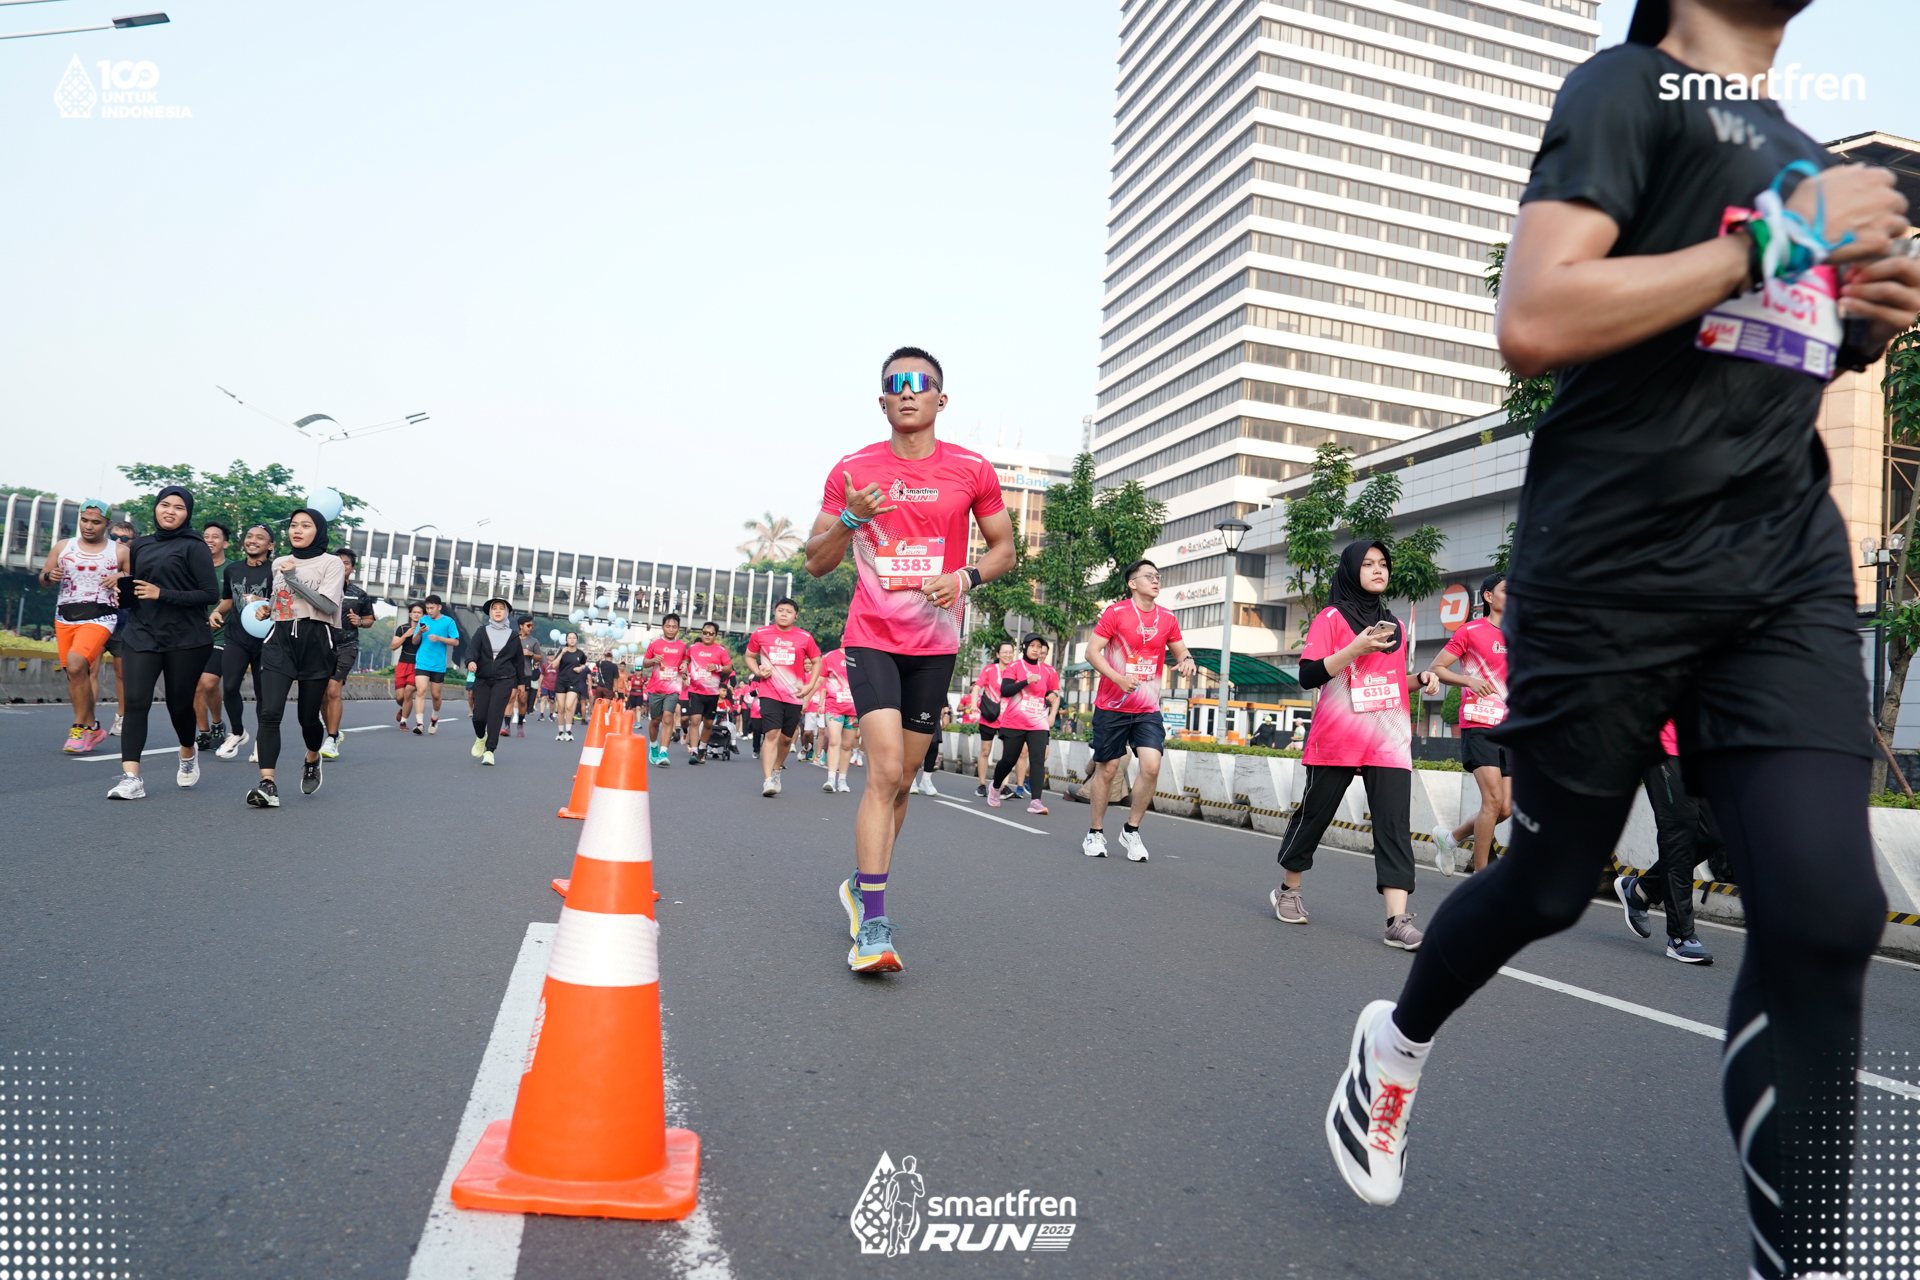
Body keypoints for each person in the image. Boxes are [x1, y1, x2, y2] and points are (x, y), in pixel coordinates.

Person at [1319, 8, 1920, 1275]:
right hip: (1612, 571)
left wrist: (1863, 318)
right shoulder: (1632, 88)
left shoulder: (1804, 150)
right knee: (1548, 882)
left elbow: (1767, 342)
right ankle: (1396, 1042)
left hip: (1782, 567)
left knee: (1828, 909)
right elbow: (1538, 315)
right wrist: (1781, 241)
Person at [805, 346, 1015, 973]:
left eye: (919, 383)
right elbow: (816, 560)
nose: (907, 391)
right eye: (895, 383)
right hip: (871, 635)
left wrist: (966, 577)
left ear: (940, 399)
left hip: (935, 644)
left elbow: (1004, 549)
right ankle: (873, 923)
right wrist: (851, 516)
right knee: (886, 768)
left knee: (903, 780)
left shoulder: (972, 469)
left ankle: (859, 885)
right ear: (882, 401)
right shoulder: (854, 468)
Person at [1268, 542, 1422, 948]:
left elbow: (1388, 684)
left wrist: (1420, 680)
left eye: (1383, 564)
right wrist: (1355, 648)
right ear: (1352, 571)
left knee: (1393, 826)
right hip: (1338, 738)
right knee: (1314, 816)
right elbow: (1308, 676)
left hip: (1388, 741)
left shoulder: (1395, 626)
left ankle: (1397, 920)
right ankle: (1289, 890)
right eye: (1368, 564)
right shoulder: (1331, 618)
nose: (1378, 569)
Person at [108, 486, 219, 799]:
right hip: (142, 631)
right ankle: (131, 778)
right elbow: (140, 585)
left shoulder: (194, 546)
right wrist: (123, 594)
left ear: (188, 513)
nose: (170, 511)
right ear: (156, 508)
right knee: (135, 702)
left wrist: (162, 593)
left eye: (179, 507)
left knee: (179, 704)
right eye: (165, 505)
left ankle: (187, 750)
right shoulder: (141, 544)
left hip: (186, 637)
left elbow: (209, 594)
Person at [1083, 560, 1195, 862]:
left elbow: (1181, 650)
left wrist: (1187, 660)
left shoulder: (1167, 618)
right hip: (1112, 705)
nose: (1156, 580)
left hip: (1147, 707)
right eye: (1149, 576)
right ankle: (1095, 832)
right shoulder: (1116, 613)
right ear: (1132, 583)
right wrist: (1118, 678)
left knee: (1151, 766)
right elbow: (1091, 652)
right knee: (1108, 769)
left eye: (1158, 576)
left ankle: (1131, 830)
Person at [243, 507, 344, 806]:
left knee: (307, 718)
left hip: (316, 641)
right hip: (280, 640)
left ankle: (312, 756)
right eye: (293, 525)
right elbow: (282, 601)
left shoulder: (331, 563)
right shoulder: (279, 563)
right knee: (269, 713)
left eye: (306, 525)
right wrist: (267, 608)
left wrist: (293, 578)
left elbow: (327, 606)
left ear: (319, 531)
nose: (297, 530)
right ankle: (268, 783)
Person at [1425, 573, 1513, 877]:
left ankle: (1450, 839)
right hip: (1479, 722)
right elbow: (1436, 668)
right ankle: (1481, 877)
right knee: (1493, 800)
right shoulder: (1470, 631)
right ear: (1488, 596)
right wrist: (1469, 681)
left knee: (1505, 808)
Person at [1613, 721, 1717, 965]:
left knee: (1714, 834)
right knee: (1679, 837)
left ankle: (1641, 891)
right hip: (1663, 743)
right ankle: (1681, 937)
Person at [40, 498, 126, 754]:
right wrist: (50, 576)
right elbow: (44, 578)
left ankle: (78, 728)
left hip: (101, 616)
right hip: (65, 617)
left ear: (107, 524)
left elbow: (136, 580)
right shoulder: (62, 547)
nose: (89, 526)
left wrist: (121, 576)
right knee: (75, 674)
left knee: (77, 664)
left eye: (96, 522)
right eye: (85, 520)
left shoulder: (120, 552)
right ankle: (92, 727)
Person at [210, 524, 275, 761]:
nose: (253, 540)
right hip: (236, 637)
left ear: (270, 545)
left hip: (266, 640)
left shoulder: (276, 571)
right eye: (249, 536)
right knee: (229, 687)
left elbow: (286, 603)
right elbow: (229, 599)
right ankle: (238, 732)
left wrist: (264, 600)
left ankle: (262, 740)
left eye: (260, 538)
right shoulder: (233, 569)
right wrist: (217, 611)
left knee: (262, 694)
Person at [744, 599, 821, 796]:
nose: (784, 614)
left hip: (794, 695)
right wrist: (758, 672)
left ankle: (776, 770)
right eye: (780, 610)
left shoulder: (804, 637)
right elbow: (749, 656)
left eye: (789, 611)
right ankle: (768, 780)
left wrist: (810, 685)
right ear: (774, 613)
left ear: (795, 616)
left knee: (786, 739)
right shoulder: (761, 634)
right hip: (770, 692)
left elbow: (817, 661)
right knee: (771, 733)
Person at [988, 632, 1060, 816]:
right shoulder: (1014, 666)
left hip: (1038, 722)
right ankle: (995, 787)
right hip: (1014, 721)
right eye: (1032, 646)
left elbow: (1052, 692)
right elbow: (1005, 690)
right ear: (1025, 647)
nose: (1036, 650)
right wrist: (1026, 681)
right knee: (1008, 760)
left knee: (1038, 760)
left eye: (1039, 647)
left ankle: (1036, 801)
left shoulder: (1048, 671)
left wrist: (1052, 696)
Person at [319, 548, 374, 759]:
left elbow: (369, 619)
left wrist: (360, 621)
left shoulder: (359, 594)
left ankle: (332, 739)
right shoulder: (320, 588)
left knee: (334, 690)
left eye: (346, 563)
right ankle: (332, 732)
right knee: (322, 696)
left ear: (352, 568)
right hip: (321, 646)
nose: (341, 566)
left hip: (346, 646)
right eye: (337, 562)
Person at [464, 599, 524, 765]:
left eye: (501, 609)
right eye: (495, 608)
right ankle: (480, 737)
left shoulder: (513, 636)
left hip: (504, 680)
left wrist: (521, 683)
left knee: (495, 715)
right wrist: (471, 661)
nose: (498, 611)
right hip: (482, 679)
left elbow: (519, 661)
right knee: (478, 716)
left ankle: (490, 751)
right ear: (490, 612)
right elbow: (472, 650)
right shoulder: (482, 631)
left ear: (507, 613)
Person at [193, 521, 231, 751]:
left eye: (215, 536)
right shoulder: (192, 568)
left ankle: (217, 723)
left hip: (221, 635)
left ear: (225, 544)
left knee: (208, 683)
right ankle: (204, 732)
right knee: (195, 687)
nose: (209, 540)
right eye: (205, 536)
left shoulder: (232, 570)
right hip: (194, 634)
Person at [102, 518, 138, 738]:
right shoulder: (97, 554)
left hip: (122, 622)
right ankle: (85, 721)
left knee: (121, 672)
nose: (118, 541)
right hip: (94, 617)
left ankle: (122, 716)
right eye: (114, 536)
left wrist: (121, 575)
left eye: (124, 538)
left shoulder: (137, 560)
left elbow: (140, 577)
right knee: (86, 669)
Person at [641, 614, 689, 766]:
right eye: (668, 626)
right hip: (656, 687)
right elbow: (645, 663)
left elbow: (685, 659)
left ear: (678, 629)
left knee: (668, 718)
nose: (671, 629)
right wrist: (653, 660)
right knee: (655, 720)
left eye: (674, 627)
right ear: (663, 627)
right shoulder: (655, 644)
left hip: (674, 687)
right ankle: (653, 745)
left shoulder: (682, 645)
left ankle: (663, 753)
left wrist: (685, 664)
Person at [683, 620, 731, 764]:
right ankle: (694, 751)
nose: (707, 635)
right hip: (695, 691)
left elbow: (729, 667)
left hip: (712, 693)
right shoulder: (693, 648)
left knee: (708, 723)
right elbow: (686, 659)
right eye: (705, 633)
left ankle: (702, 748)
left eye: (711, 633)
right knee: (695, 720)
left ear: (715, 635)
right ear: (701, 633)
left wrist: (717, 667)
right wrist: (684, 665)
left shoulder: (720, 650)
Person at [410, 595, 460, 733]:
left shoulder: (448, 622)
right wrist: (419, 632)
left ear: (439, 607)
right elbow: (414, 641)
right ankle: (419, 723)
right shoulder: (423, 620)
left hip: (438, 664)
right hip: (422, 662)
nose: (429, 611)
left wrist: (439, 638)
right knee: (421, 691)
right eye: (427, 608)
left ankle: (434, 718)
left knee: (436, 695)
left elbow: (456, 641)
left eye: (432, 608)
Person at [972, 642, 1014, 798]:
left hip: (1008, 718)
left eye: (1010, 652)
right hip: (990, 715)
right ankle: (982, 784)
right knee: (985, 751)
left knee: (1007, 754)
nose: (1008, 655)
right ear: (998, 654)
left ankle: (1004, 786)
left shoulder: (1016, 671)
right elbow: (977, 687)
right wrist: (973, 704)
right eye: (1004, 652)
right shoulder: (989, 670)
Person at [819, 646, 860, 793]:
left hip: (853, 709)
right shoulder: (830, 657)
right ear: (841, 637)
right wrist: (807, 693)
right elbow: (820, 680)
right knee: (834, 740)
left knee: (847, 745)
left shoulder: (861, 656)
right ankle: (831, 778)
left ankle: (842, 779)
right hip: (834, 707)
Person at [391, 602, 425, 730]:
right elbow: (393, 646)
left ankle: (403, 722)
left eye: (419, 612)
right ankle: (403, 708)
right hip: (402, 664)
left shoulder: (426, 630)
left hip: (418, 666)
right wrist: (405, 635)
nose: (416, 614)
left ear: (423, 615)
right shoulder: (402, 628)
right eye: (414, 612)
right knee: (400, 697)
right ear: (410, 614)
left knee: (408, 692)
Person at [508, 616, 540, 737]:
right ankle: (506, 726)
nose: (530, 628)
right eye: (528, 625)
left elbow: (539, 657)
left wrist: (530, 654)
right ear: (521, 626)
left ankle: (520, 724)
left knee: (522, 700)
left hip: (525, 674)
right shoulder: (512, 639)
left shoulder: (534, 641)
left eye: (531, 625)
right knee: (510, 698)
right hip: (511, 673)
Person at [553, 633, 589, 740]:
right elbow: (554, 665)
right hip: (561, 681)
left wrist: (580, 669)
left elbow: (584, 665)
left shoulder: (580, 653)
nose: (572, 640)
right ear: (566, 640)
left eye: (574, 638)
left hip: (573, 682)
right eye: (570, 638)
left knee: (569, 706)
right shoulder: (562, 651)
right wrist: (561, 653)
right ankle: (560, 732)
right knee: (561, 708)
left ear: (577, 640)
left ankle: (568, 731)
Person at [913, 703, 951, 797]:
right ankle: (911, 779)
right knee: (913, 744)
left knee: (933, 744)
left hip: (933, 708)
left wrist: (946, 713)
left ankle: (926, 779)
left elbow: (943, 695)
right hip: (914, 706)